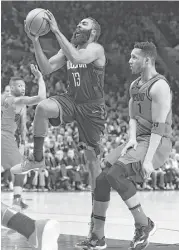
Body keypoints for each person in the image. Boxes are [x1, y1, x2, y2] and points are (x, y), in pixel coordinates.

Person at [12, 11, 106, 238]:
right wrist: (35, 41)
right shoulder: (68, 49)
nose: (77, 25)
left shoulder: (96, 49)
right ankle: (37, 158)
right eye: (78, 21)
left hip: (92, 108)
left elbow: (77, 58)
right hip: (72, 100)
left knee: (93, 163)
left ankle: (96, 218)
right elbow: (46, 67)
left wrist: (55, 30)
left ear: (92, 32)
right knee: (43, 108)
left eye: (83, 23)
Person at [78, 42, 172, 250]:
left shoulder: (160, 87)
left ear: (147, 60)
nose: (129, 61)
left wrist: (147, 160)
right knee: (102, 178)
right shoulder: (135, 85)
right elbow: (132, 118)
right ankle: (97, 237)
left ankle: (144, 224)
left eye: (134, 57)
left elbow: (158, 127)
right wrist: (131, 139)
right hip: (139, 140)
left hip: (158, 142)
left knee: (115, 175)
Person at [2, 64, 46, 209]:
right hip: (5, 137)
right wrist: (39, 78)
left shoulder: (8, 101)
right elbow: (41, 97)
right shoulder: (17, 100)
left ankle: (18, 199)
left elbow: (21, 126)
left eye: (24, 86)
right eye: (19, 86)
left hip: (8, 137)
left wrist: (22, 142)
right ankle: (16, 200)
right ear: (12, 88)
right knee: (20, 168)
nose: (23, 88)